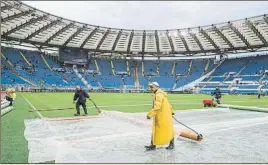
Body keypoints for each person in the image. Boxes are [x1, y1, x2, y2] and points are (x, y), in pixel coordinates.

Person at [145, 82, 175, 151]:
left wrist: (149, 114)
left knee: (165, 130)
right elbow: (168, 104)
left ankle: (171, 144)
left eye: (152, 87)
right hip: (164, 115)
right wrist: (172, 111)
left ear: (157, 87)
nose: (150, 89)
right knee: (164, 129)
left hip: (162, 116)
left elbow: (157, 107)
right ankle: (153, 144)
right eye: (150, 87)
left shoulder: (158, 95)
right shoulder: (161, 94)